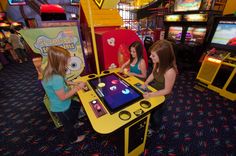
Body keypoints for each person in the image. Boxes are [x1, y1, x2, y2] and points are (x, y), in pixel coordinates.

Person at [41, 46, 86, 144]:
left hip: (65, 103)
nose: (69, 63)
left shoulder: (51, 70)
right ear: (59, 62)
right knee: (68, 125)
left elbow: (64, 81)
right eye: (67, 62)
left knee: (77, 105)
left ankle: (75, 122)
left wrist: (74, 83)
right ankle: (74, 139)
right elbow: (63, 97)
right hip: (61, 107)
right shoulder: (56, 78)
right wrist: (78, 87)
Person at [141, 39, 178, 132]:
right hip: (155, 90)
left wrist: (150, 95)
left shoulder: (170, 71)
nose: (150, 56)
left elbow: (167, 90)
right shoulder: (156, 63)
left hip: (163, 96)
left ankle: (154, 129)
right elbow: (153, 74)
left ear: (163, 57)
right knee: (151, 110)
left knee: (157, 115)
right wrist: (146, 83)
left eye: (153, 55)